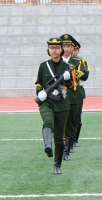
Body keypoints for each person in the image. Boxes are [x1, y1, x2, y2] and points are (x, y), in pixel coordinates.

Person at [35, 37, 74, 174]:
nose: (54, 50)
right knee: (48, 121)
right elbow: (38, 82)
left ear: (61, 50)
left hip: (62, 104)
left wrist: (68, 80)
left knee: (59, 135)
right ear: (48, 50)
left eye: (57, 48)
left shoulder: (68, 67)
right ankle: (47, 145)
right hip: (46, 102)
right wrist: (40, 92)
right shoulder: (43, 66)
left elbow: (72, 86)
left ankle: (57, 165)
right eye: (52, 48)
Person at [59, 34, 89, 161]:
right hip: (58, 94)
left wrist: (71, 72)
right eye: (63, 46)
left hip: (73, 95)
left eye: (68, 46)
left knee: (72, 122)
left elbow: (85, 75)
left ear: (72, 48)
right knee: (59, 122)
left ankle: (66, 150)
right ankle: (60, 147)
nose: (65, 49)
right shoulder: (56, 60)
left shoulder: (78, 61)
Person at [72, 38, 89, 148]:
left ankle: (75, 139)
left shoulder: (81, 62)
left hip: (77, 91)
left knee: (76, 117)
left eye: (75, 49)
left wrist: (71, 71)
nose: (73, 51)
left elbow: (84, 75)